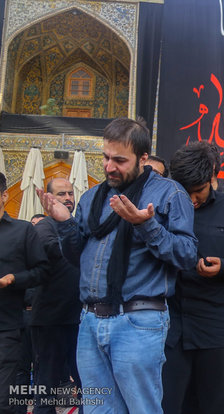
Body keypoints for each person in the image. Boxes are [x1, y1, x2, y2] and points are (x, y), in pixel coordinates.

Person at [38, 117, 198, 413]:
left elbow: (187, 255)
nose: (109, 166)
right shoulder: (91, 197)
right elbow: (77, 259)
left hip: (138, 322)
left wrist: (146, 225)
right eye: (106, 157)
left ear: (143, 158)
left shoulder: (169, 194)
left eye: (120, 160)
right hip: (89, 321)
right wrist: (64, 224)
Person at [162, 141, 224, 413]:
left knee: (218, 406)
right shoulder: (164, 207)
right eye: (185, 192)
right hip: (172, 330)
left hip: (220, 331)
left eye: (199, 191)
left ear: (212, 178)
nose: (192, 200)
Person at [31, 178, 82, 414]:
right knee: (47, 386)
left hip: (81, 319)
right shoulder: (45, 226)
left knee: (86, 384)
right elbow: (55, 251)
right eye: (61, 194)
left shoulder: (78, 226)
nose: (68, 198)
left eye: (70, 193)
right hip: (52, 319)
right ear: (48, 199)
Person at [0, 172, 50, 414]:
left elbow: (42, 271)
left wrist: (13, 279)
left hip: (6, 328)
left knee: (5, 399)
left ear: (4, 196)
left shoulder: (22, 231)